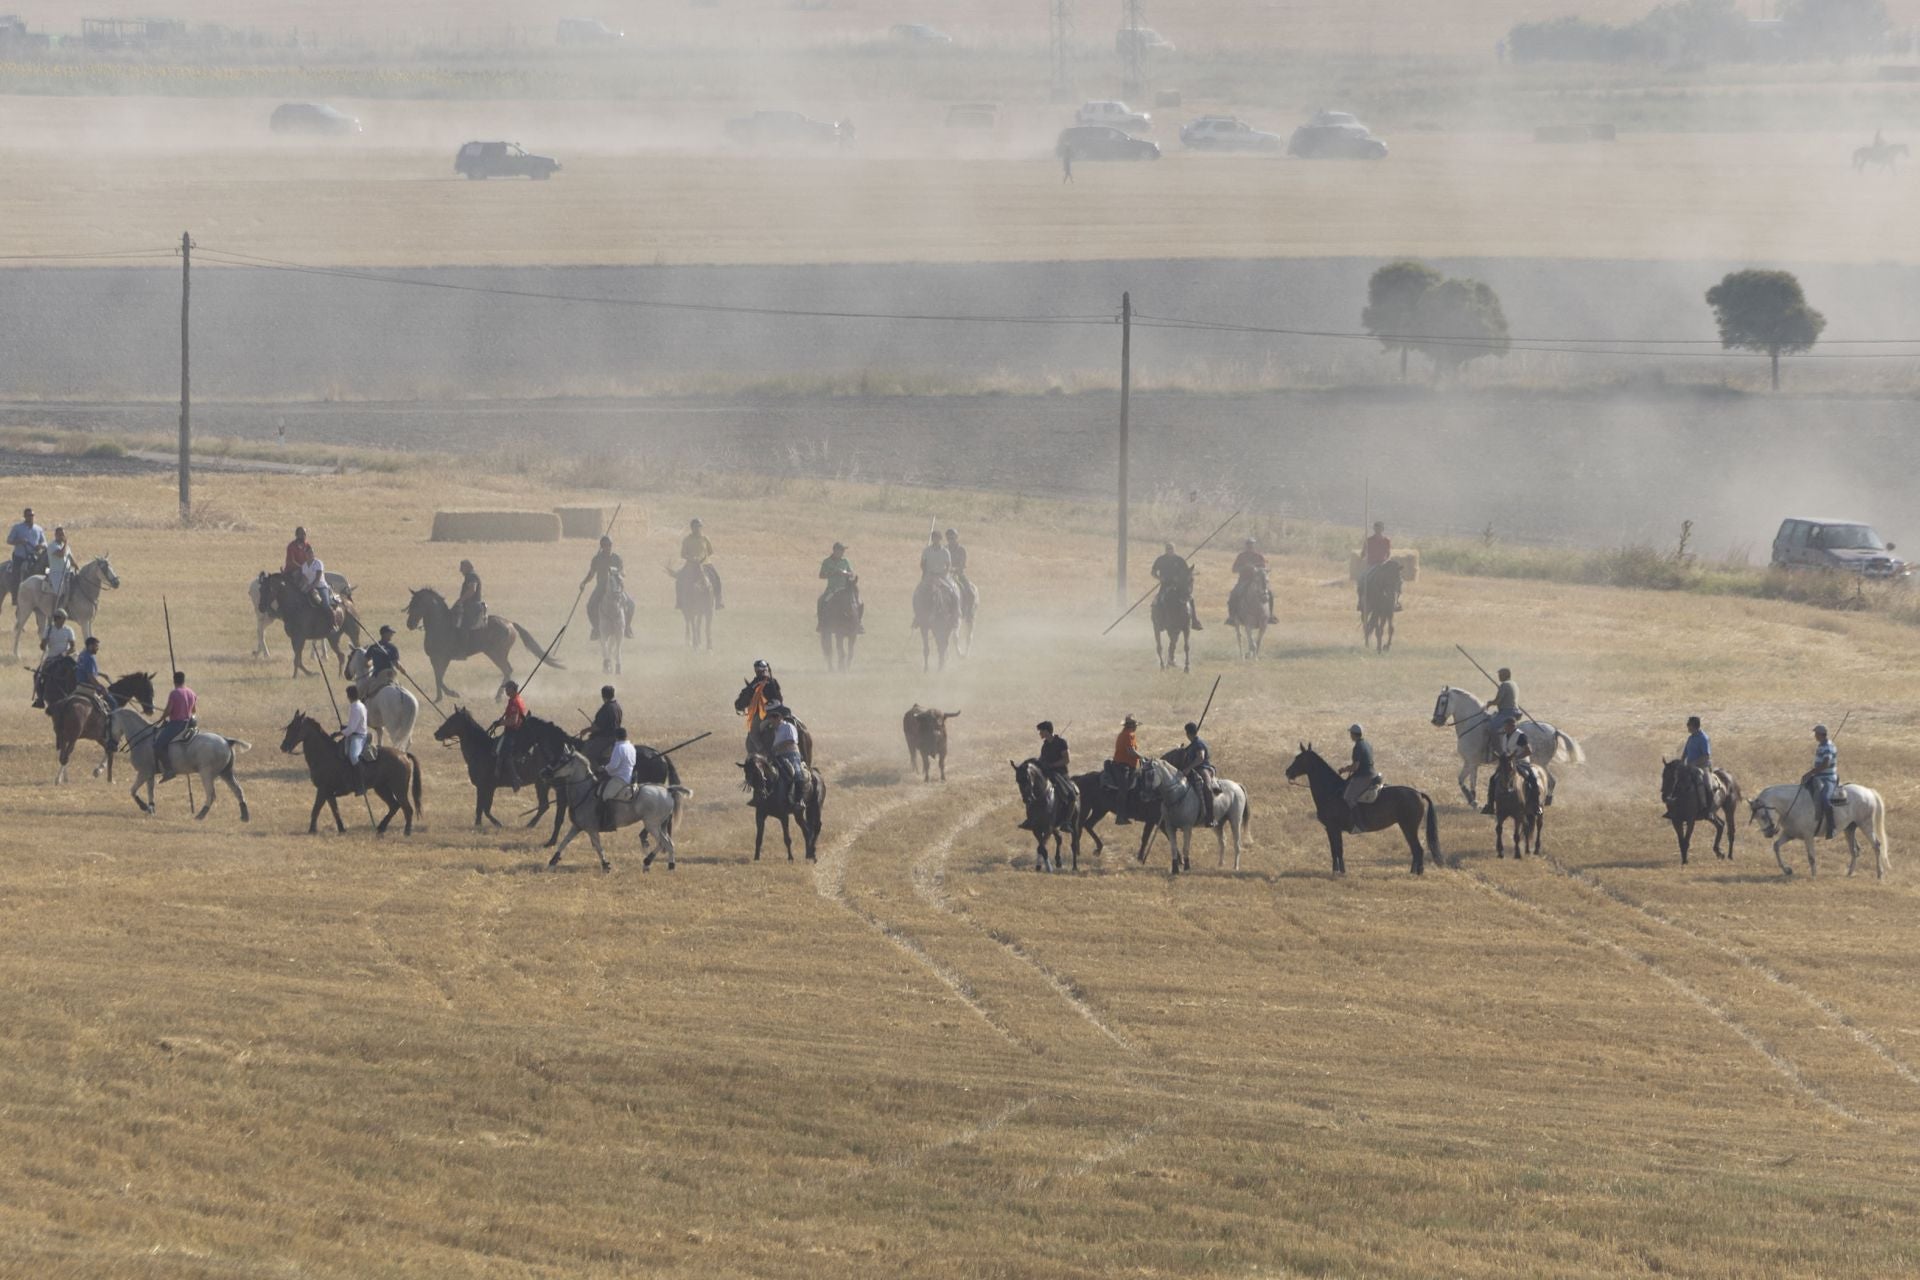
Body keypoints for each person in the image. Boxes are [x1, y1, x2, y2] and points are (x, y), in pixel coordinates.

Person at [581, 535, 634, 641]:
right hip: (601, 586)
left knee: (631, 604)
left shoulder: (617, 558)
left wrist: (619, 573)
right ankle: (596, 628)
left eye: (610, 545)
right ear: (602, 546)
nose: (608, 547)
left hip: (616, 586)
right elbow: (591, 574)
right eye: (605, 545)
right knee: (590, 606)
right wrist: (583, 583)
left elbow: (623, 571)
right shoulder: (596, 559)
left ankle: (627, 627)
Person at [1483, 714, 1538, 815]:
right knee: (1493, 779)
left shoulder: (1521, 736)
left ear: (1513, 726)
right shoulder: (1504, 736)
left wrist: (1516, 758)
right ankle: (1490, 805)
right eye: (1505, 726)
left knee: (1532, 780)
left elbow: (1528, 751)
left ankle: (1536, 806)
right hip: (1507, 763)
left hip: (1522, 762)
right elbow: (1505, 752)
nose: (1506, 728)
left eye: (1508, 726)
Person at [1151, 540, 1202, 630]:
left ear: (1174, 550)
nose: (1169, 550)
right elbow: (1153, 572)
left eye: (1171, 549)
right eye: (1168, 549)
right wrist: (1159, 578)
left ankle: (1194, 621)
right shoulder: (1160, 560)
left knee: (1190, 599)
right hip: (1165, 585)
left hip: (1178, 586)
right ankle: (1160, 620)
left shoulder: (1180, 560)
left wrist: (1181, 578)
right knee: (1158, 601)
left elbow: (1187, 572)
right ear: (1165, 550)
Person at [1340, 724, 1382, 834]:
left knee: (1349, 797)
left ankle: (1359, 825)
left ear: (1353, 735)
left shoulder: (1357, 747)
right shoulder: (1367, 744)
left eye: (1350, 734)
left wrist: (1344, 770)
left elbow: (1355, 767)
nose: (1350, 735)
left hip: (1364, 776)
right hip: (1372, 773)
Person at [155, 671, 196, 783]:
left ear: (174, 681)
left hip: (176, 724)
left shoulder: (174, 693)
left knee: (158, 745)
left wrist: (162, 717)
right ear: (184, 680)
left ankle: (169, 770)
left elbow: (168, 710)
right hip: (188, 724)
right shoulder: (191, 693)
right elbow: (194, 711)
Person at [32, 608, 77, 708]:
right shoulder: (48, 629)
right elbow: (42, 646)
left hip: (66, 657)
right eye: (62, 618)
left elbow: (73, 647)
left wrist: (64, 654)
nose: (64, 620)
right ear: (56, 619)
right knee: (37, 675)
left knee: (78, 670)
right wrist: (44, 644)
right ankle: (40, 699)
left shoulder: (69, 630)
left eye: (65, 618)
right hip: (52, 657)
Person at [735, 659, 782, 753]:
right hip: (780, 711)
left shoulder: (752, 685)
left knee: (753, 734)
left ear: (756, 671)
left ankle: (761, 750)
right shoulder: (773, 681)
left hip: (764, 714)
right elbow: (779, 698)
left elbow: (740, 703)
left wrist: (740, 706)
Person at [817, 541, 863, 634]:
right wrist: (833, 573)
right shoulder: (827, 562)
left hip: (845, 589)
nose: (842, 552)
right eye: (841, 550)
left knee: (860, 603)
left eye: (843, 550)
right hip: (832, 589)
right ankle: (821, 623)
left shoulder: (845, 561)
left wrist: (845, 573)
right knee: (821, 600)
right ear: (835, 551)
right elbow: (821, 575)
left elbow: (851, 574)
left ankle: (859, 623)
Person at [1230, 537, 1278, 625]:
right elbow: (1234, 570)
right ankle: (1232, 617)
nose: (1250, 547)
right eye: (1248, 545)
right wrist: (1245, 567)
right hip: (1244, 581)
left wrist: (1257, 569)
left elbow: (1264, 568)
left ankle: (1270, 615)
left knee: (1270, 594)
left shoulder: (1259, 556)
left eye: (1252, 545)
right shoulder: (1241, 556)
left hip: (1258, 581)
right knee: (1233, 594)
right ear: (1246, 546)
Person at [678, 518, 723, 609]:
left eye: (699, 527)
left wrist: (702, 559)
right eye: (695, 527)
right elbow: (683, 554)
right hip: (691, 564)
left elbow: (710, 552)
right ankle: (679, 602)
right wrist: (692, 559)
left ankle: (718, 602)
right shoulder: (687, 539)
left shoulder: (705, 538)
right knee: (679, 580)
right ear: (691, 528)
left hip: (705, 564)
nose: (697, 529)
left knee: (717, 578)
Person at [599, 726, 637, 830]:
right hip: (629, 777)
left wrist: (604, 768)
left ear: (616, 737)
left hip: (619, 778)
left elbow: (613, 765)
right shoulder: (631, 747)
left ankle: (610, 822)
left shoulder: (618, 748)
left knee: (605, 796)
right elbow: (633, 762)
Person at [1676, 715, 1714, 817]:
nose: (1687, 726)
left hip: (1702, 767)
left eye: (1689, 724)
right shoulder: (1690, 737)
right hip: (1690, 766)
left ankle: (1705, 807)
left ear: (1694, 726)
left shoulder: (1703, 738)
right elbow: (1686, 751)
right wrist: (1682, 761)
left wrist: (1694, 763)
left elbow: (1706, 756)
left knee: (1703, 783)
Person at [768, 704, 806, 806]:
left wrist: (776, 748)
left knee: (797, 772)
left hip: (791, 754)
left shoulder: (788, 726)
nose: (771, 721)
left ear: (780, 718)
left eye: (773, 718)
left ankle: (799, 799)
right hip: (778, 756)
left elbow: (791, 740)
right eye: (770, 719)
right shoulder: (775, 730)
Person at [1805, 723, 1839, 839]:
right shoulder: (1821, 745)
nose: (1815, 735)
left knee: (1825, 798)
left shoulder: (1828, 747)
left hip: (1828, 778)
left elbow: (1826, 764)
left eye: (1816, 733)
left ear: (1820, 735)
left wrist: (1812, 772)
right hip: (1819, 777)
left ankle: (1832, 827)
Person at [1108, 715, 1142, 825]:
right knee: (1123, 788)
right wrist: (1142, 757)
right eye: (1135, 725)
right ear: (1131, 726)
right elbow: (1130, 752)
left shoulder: (1129, 735)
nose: (1136, 727)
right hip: (1122, 767)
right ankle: (1120, 816)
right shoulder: (1128, 735)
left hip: (1128, 766)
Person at [1182, 721, 1218, 824]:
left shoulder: (1198, 744)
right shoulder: (1193, 744)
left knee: (1207, 788)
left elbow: (1200, 758)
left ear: (1188, 734)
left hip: (1202, 768)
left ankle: (1211, 818)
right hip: (1195, 769)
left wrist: (1189, 768)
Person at [495, 680, 527, 775]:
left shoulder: (515, 702)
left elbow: (513, 721)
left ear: (513, 689)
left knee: (503, 750)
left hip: (514, 731)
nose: (505, 690)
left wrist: (500, 723)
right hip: (515, 729)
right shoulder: (514, 699)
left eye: (507, 688)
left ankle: (514, 778)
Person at [342, 685, 370, 793]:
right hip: (354, 734)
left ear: (350, 696)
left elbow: (352, 728)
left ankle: (361, 783)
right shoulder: (358, 705)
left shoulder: (356, 707)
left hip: (358, 736)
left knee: (353, 756)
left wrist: (341, 732)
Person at [362, 625, 405, 696]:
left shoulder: (373, 647)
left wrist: (373, 663)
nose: (392, 635)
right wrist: (403, 670)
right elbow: (397, 664)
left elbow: (365, 664)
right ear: (384, 634)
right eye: (390, 633)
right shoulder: (393, 648)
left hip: (378, 674)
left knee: (364, 692)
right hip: (391, 674)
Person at [1357, 521, 1391, 612]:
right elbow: (1363, 553)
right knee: (1361, 579)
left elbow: (1388, 554)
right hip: (1371, 565)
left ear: (1382, 529)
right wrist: (1363, 556)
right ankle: (1361, 602)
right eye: (1376, 528)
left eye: (1379, 528)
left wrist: (1385, 562)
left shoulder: (1387, 540)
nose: (1378, 530)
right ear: (1374, 529)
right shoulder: (1368, 540)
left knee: (1397, 580)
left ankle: (1394, 602)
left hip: (1383, 565)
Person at [586, 684, 623, 762]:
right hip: (616, 737)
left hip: (606, 738)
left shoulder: (607, 708)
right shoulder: (617, 706)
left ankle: (592, 772)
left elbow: (598, 727)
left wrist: (586, 730)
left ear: (603, 696)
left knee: (588, 755)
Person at [74, 634, 112, 708]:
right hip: (88, 687)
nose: (97, 648)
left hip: (79, 685)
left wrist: (101, 674)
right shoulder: (90, 658)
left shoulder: (82, 654)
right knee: (112, 703)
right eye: (96, 646)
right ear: (90, 646)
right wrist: (101, 687)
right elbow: (90, 677)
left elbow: (85, 670)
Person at [945, 528, 975, 622]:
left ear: (956, 538)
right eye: (949, 538)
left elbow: (962, 565)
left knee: (970, 593)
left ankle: (969, 612)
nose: (951, 540)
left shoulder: (961, 550)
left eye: (952, 538)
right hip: (945, 575)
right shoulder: (944, 549)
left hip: (959, 574)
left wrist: (954, 569)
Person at [7, 506, 45, 579]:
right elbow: (9, 540)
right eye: (29, 515)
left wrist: (40, 545)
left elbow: (45, 543)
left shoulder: (38, 529)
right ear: (24, 516)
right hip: (20, 557)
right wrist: (19, 541)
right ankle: (15, 587)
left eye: (32, 515)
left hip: (35, 557)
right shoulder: (17, 527)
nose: (31, 517)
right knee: (16, 574)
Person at [45, 525, 74, 610]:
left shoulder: (66, 547)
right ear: (56, 535)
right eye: (60, 534)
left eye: (63, 534)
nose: (62, 536)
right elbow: (61, 554)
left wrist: (76, 567)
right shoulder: (52, 546)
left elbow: (71, 559)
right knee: (60, 592)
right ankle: (56, 609)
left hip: (68, 573)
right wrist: (65, 543)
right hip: (57, 573)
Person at [454, 560, 485, 631]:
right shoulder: (470, 576)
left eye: (462, 568)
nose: (460, 570)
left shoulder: (472, 576)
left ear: (468, 567)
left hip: (472, 606)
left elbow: (472, 590)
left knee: (463, 626)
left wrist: (460, 600)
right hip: (470, 605)